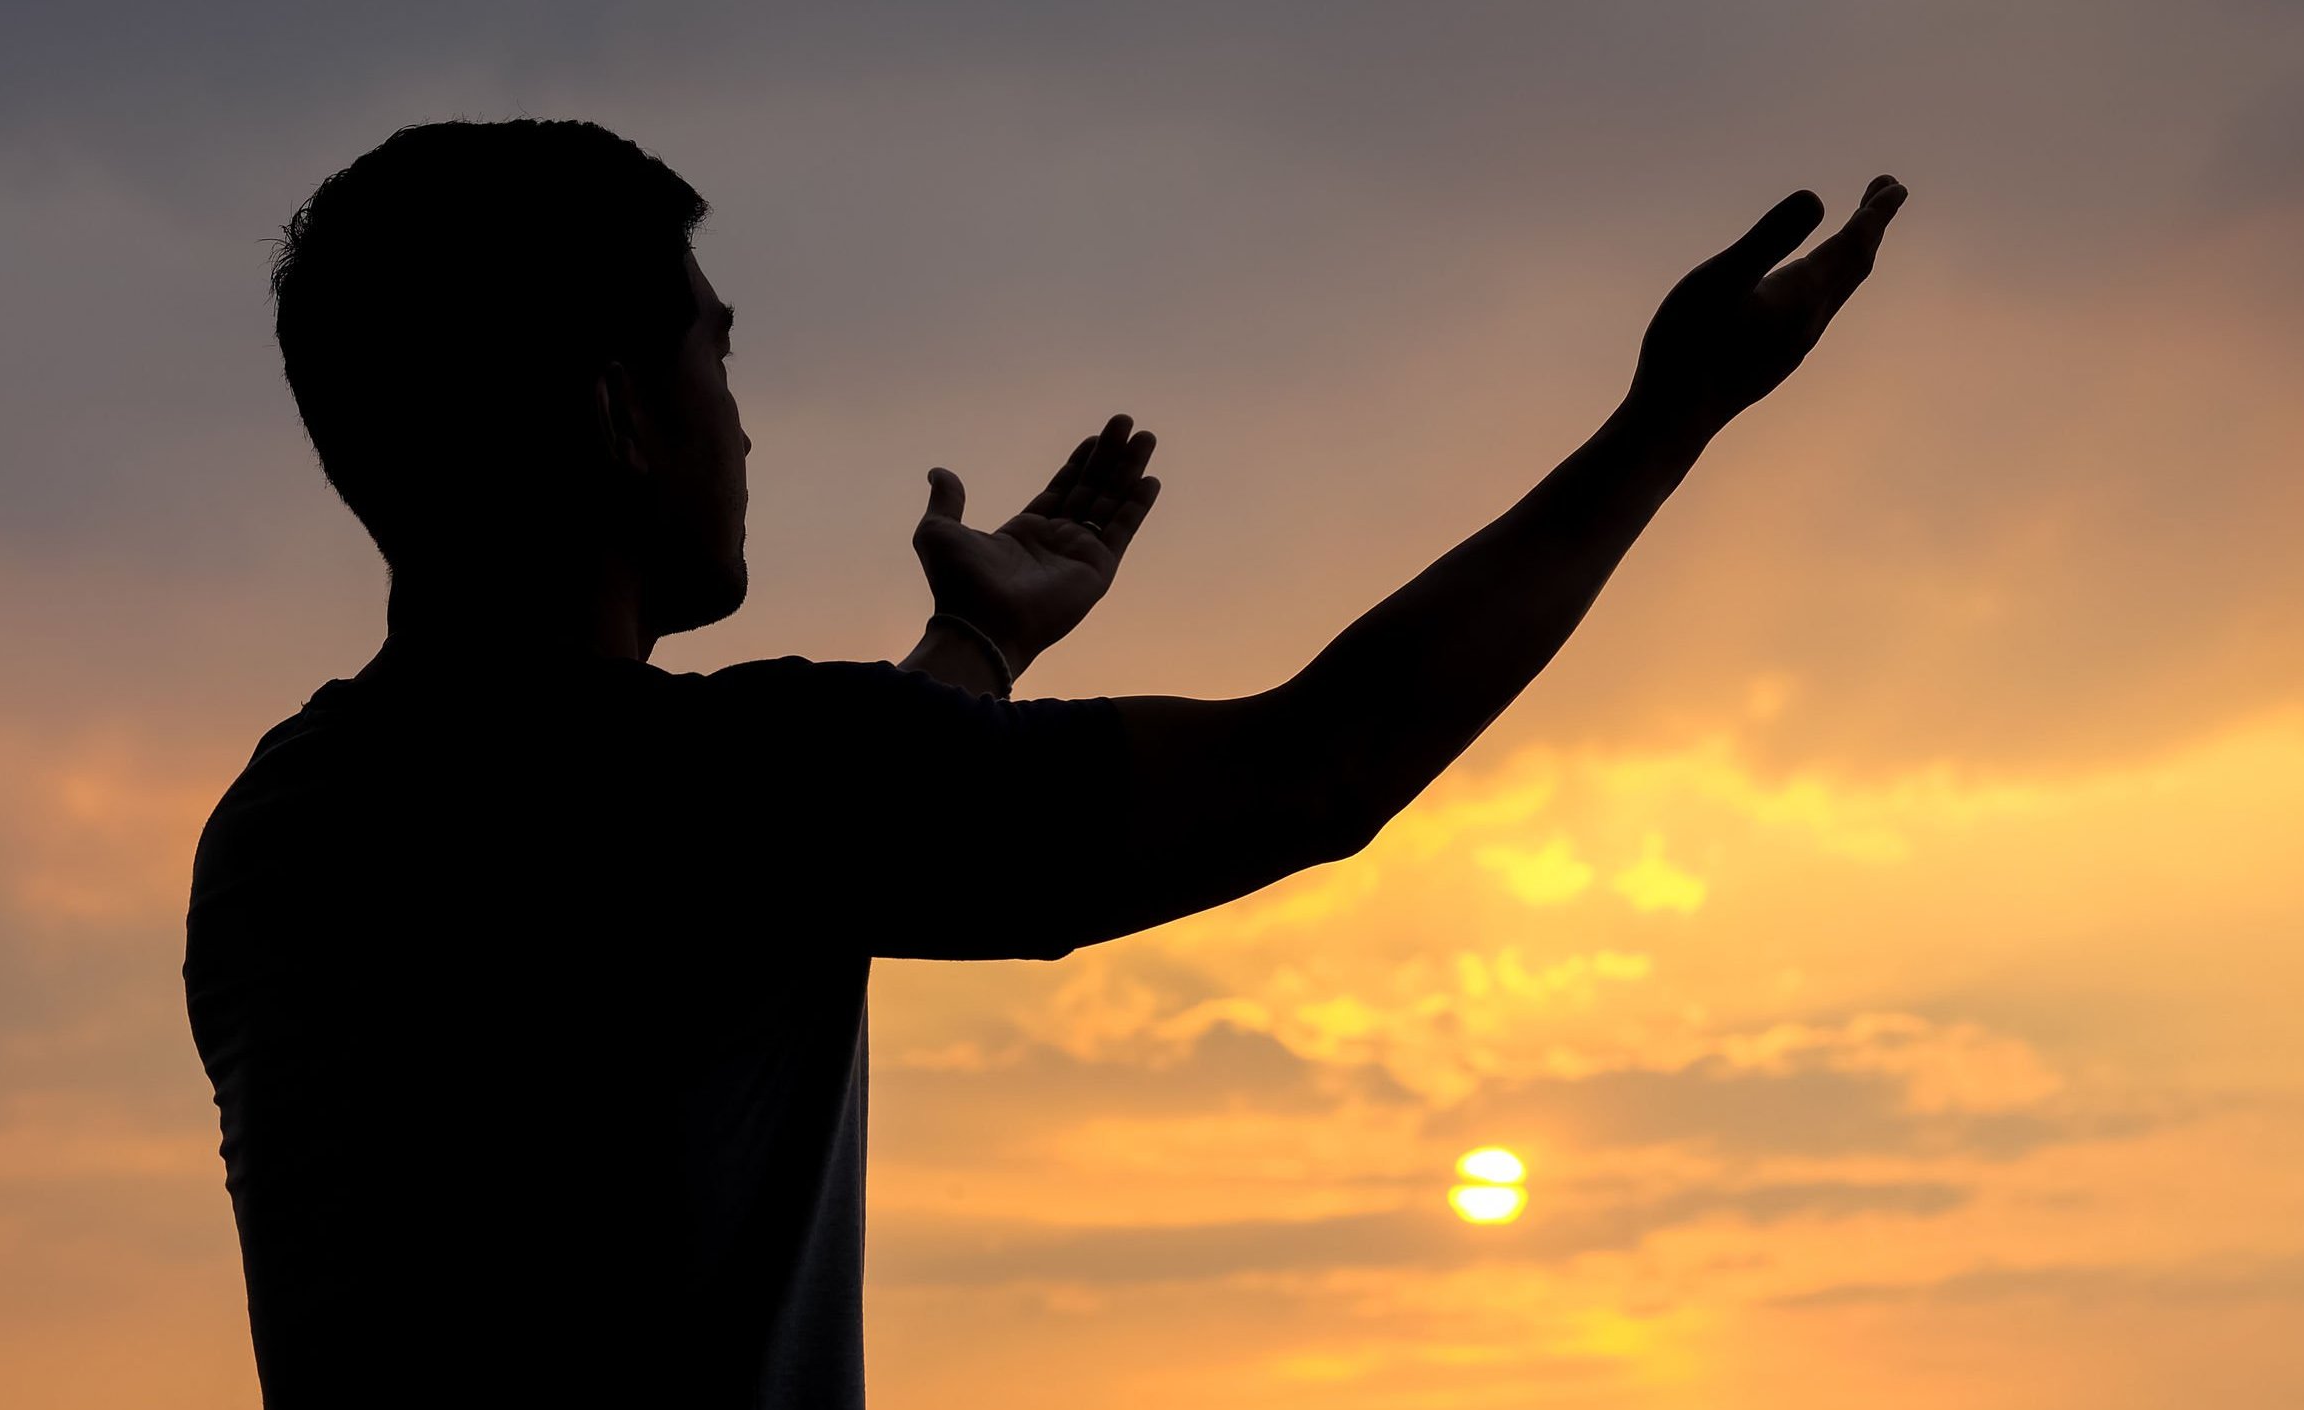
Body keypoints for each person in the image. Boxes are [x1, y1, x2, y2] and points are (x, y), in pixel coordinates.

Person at [184, 117, 1906, 1408]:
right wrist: (1669, 418)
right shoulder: (737, 785)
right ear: (619, 412)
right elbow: (1323, 764)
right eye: (718, 348)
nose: (746, 413)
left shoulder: (278, 831)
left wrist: (982, 653)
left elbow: (741, 888)